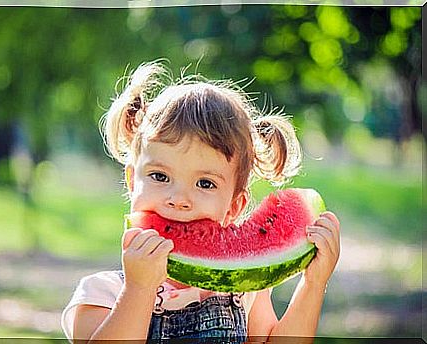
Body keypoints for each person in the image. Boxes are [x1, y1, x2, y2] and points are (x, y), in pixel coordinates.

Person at [61, 61, 341, 343]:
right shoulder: (101, 293)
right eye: (160, 176)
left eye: (205, 183)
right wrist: (138, 289)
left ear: (234, 206)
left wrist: (313, 285)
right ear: (133, 181)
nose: (179, 199)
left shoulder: (244, 292)